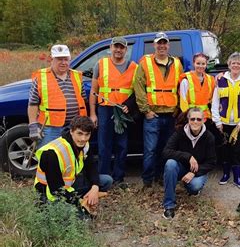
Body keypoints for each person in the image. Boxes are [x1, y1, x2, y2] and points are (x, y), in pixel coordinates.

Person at [134, 32, 184, 188]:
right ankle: (147, 181)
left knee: (166, 149)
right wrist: (146, 110)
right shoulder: (145, 63)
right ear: (154, 45)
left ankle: (162, 177)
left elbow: (181, 87)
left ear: (168, 45)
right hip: (152, 115)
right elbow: (139, 87)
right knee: (150, 150)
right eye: (159, 43)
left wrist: (178, 110)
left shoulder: (176, 63)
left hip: (170, 115)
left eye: (164, 43)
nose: (162, 46)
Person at [34, 116, 112, 211]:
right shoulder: (52, 153)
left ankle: (87, 197)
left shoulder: (85, 145)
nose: (83, 138)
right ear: (71, 131)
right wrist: (79, 202)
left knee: (107, 180)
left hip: (71, 184)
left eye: (87, 134)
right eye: (79, 134)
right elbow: (56, 190)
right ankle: (83, 200)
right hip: (49, 193)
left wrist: (95, 187)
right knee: (82, 219)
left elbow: (91, 167)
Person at [89, 36, 138, 187]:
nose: (118, 50)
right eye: (115, 46)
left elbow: (138, 92)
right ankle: (104, 179)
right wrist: (93, 113)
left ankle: (119, 178)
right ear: (110, 48)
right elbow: (93, 90)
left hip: (122, 111)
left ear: (126, 49)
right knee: (104, 145)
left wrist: (129, 106)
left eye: (121, 47)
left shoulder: (134, 67)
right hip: (104, 109)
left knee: (122, 146)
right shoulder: (101, 64)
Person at [28, 45, 87, 148]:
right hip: (50, 129)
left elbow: (83, 99)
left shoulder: (77, 76)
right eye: (59, 59)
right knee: (49, 157)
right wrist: (33, 125)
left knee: (71, 158)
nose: (63, 62)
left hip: (74, 128)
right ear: (51, 59)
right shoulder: (42, 77)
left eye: (66, 59)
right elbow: (33, 103)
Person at [161, 108, 216, 219]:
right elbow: (165, 152)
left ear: (204, 120)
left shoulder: (209, 137)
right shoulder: (180, 132)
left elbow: (211, 162)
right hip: (181, 167)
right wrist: (187, 156)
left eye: (199, 119)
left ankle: (190, 185)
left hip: (197, 170)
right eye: (192, 119)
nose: (195, 122)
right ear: (188, 120)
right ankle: (169, 206)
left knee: (194, 186)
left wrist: (194, 173)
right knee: (170, 164)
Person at [211, 52, 240, 189]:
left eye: (238, 63)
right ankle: (225, 174)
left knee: (239, 150)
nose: (235, 65)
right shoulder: (221, 80)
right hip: (223, 124)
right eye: (233, 63)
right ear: (229, 65)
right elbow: (215, 102)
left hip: (239, 125)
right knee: (224, 149)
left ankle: (237, 177)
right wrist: (217, 122)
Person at [179, 53, 215, 119]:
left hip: (206, 116)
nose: (200, 66)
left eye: (203, 64)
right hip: (192, 116)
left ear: (206, 65)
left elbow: (213, 100)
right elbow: (183, 101)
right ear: (193, 63)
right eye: (198, 63)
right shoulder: (186, 80)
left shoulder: (210, 79)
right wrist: (187, 116)